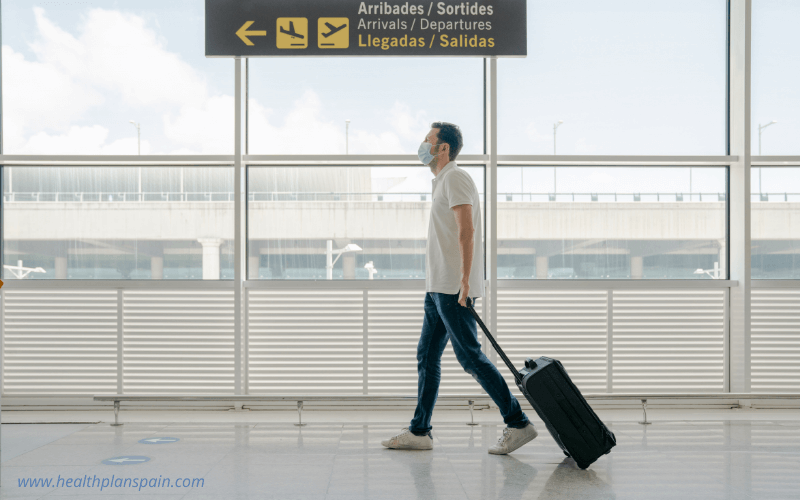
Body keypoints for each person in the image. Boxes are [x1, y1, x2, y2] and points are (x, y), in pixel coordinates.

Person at [381, 122, 537, 454]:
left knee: (470, 357)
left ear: (443, 148)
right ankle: (420, 430)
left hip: (453, 288)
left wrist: (465, 281)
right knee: (427, 356)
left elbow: (466, 230)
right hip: (437, 287)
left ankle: (518, 423)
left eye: (428, 139)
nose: (422, 144)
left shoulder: (455, 177)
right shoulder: (441, 182)